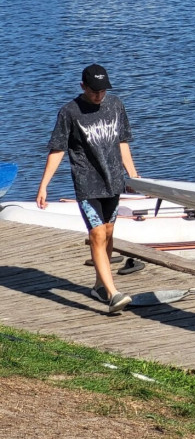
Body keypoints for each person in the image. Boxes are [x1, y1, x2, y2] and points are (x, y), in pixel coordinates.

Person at [36, 65, 139, 314]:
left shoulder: (115, 106)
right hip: (87, 183)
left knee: (109, 232)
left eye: (103, 90)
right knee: (97, 234)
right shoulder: (70, 112)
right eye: (94, 90)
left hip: (113, 180)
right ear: (83, 86)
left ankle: (99, 286)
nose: (99, 95)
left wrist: (133, 175)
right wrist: (44, 185)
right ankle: (113, 293)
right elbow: (58, 149)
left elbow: (122, 142)